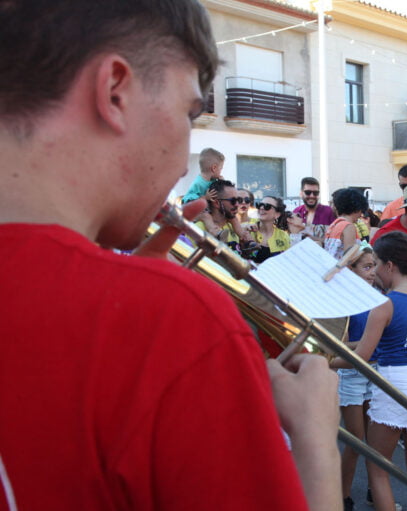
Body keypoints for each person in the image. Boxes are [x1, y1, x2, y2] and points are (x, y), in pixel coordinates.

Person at [0, 1, 340, 510]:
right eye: (188, 112)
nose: (184, 161)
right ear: (116, 90)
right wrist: (316, 446)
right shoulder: (172, 315)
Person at [332, 231, 407, 511]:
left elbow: (359, 359)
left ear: (390, 266)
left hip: (396, 383)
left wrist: (323, 359)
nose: (376, 272)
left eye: (377, 264)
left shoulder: (385, 304)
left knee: (378, 469)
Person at [336, 244, 378, 511]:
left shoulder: (377, 296)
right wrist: (366, 343)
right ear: (350, 270)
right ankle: (342, 495)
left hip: (375, 373)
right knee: (355, 438)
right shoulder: (343, 301)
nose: (372, 272)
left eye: (374, 266)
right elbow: (335, 343)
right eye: (366, 266)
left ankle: (377, 487)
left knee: (375, 439)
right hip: (351, 374)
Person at [325, 188, 369, 260]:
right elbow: (349, 257)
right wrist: (364, 251)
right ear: (357, 209)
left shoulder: (334, 225)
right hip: (343, 270)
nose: (361, 215)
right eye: (361, 211)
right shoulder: (348, 227)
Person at [248, 196, 291, 263]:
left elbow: (287, 261)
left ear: (277, 214)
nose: (261, 208)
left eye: (267, 206)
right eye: (259, 205)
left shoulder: (283, 236)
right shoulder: (248, 229)